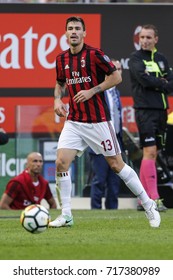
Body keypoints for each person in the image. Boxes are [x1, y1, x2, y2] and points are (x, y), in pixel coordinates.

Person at [49, 16, 160, 228]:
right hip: (74, 121)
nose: (73, 32)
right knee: (61, 163)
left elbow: (116, 77)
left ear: (84, 33)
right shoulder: (61, 59)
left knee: (116, 165)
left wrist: (92, 91)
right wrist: (57, 99)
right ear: (65, 33)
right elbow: (59, 82)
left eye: (77, 29)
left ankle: (148, 204)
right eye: (70, 28)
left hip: (98, 121)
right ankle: (66, 215)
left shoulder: (94, 54)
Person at [129, 24, 173, 212]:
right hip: (144, 110)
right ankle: (154, 199)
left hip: (162, 111)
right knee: (150, 152)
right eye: (142, 37)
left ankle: (142, 200)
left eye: (149, 37)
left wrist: (161, 83)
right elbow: (143, 80)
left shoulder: (162, 59)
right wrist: (161, 82)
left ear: (156, 39)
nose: (145, 41)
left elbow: (171, 84)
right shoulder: (135, 58)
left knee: (152, 155)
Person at [88, 59, 124, 209]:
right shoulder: (97, 91)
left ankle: (112, 210)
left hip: (116, 140)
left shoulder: (116, 93)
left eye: (119, 69)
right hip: (99, 141)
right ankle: (95, 210)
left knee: (115, 180)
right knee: (99, 179)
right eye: (114, 68)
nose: (117, 71)